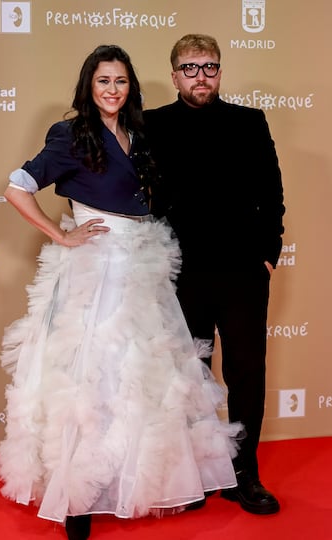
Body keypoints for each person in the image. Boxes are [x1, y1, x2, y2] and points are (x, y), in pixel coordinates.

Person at [0, 44, 242, 540]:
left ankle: (156, 480)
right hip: (96, 267)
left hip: (144, 262)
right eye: (104, 80)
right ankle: (77, 498)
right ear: (90, 85)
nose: (112, 89)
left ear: (131, 88)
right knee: (89, 381)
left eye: (121, 81)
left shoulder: (140, 133)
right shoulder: (68, 135)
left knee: (146, 376)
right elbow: (16, 187)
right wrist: (62, 235)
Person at [143, 34, 285, 515]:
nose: (200, 76)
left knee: (246, 370)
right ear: (174, 74)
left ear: (220, 72)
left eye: (209, 67)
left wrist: (270, 251)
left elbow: (272, 190)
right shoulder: (153, 125)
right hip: (182, 273)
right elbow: (141, 196)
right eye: (190, 68)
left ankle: (246, 474)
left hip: (243, 271)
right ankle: (201, 471)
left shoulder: (249, 121)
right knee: (191, 375)